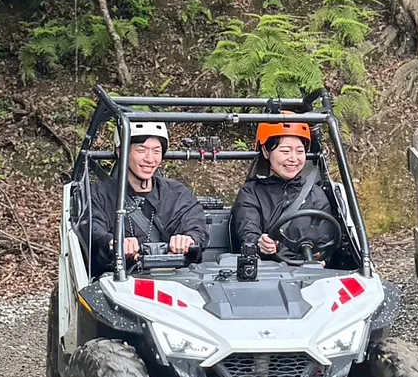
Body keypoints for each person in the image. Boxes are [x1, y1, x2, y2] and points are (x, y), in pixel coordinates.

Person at [81, 121, 208, 276]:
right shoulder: (100, 195)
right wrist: (114, 242)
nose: (150, 159)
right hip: (119, 280)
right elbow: (93, 227)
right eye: (141, 150)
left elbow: (195, 224)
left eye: (156, 151)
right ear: (121, 152)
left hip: (173, 281)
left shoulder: (177, 194)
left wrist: (189, 239)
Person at [231, 116, 336, 262]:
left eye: (300, 151)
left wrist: (321, 254)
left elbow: (326, 237)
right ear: (266, 152)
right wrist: (259, 242)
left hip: (307, 271)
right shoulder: (251, 192)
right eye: (285, 151)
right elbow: (247, 231)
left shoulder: (315, 194)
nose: (293, 158)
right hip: (266, 272)